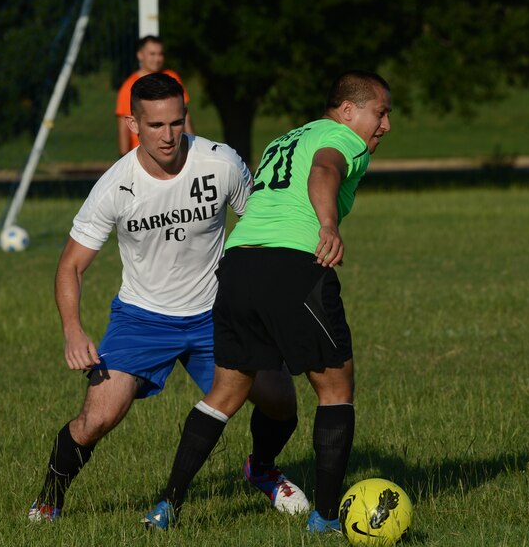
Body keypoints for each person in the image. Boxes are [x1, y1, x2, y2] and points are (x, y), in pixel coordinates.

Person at [29, 73, 307, 523]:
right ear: (134, 123)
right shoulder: (115, 186)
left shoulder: (221, 162)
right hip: (142, 319)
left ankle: (262, 471)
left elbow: (260, 224)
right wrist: (72, 329)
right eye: (156, 125)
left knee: (282, 403)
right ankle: (48, 500)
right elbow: (70, 265)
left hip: (218, 314)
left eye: (176, 122)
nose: (169, 135)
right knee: (97, 419)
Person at [143, 70, 393, 533]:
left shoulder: (286, 138)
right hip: (292, 268)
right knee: (336, 391)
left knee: (225, 393)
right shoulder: (343, 138)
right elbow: (325, 170)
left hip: (238, 267)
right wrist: (328, 225)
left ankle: (166, 507)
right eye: (380, 113)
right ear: (347, 111)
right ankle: (324, 519)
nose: (385, 126)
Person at [115, 35, 195, 156]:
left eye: (160, 54)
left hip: (175, 151)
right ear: (140, 55)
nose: (157, 59)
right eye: (152, 54)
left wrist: (194, 149)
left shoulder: (172, 78)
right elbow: (124, 128)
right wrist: (124, 159)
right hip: (144, 155)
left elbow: (185, 118)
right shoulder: (128, 87)